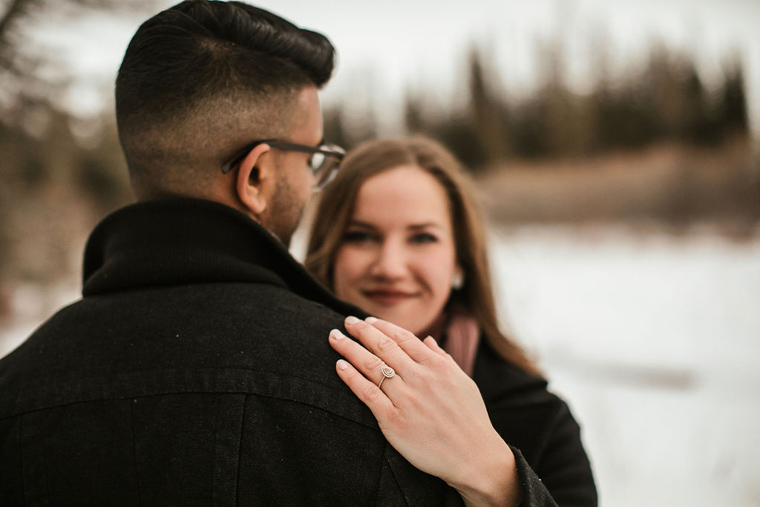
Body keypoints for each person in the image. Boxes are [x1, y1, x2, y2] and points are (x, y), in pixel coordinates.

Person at [0, 3, 458, 505]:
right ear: (257, 176)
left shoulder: (14, 388)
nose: (312, 183)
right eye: (312, 160)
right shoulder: (369, 395)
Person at [305, 137, 598, 506]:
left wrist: (494, 476)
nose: (390, 267)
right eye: (361, 236)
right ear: (328, 250)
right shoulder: (270, 387)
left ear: (460, 260)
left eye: (422, 237)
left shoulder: (542, 421)